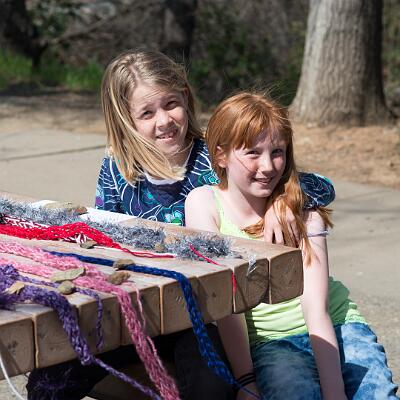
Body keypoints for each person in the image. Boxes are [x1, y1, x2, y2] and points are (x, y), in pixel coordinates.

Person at [27, 50, 334, 400]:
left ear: (186, 98)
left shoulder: (214, 157)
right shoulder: (117, 169)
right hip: (138, 308)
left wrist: (285, 200)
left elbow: (322, 185)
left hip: (198, 315)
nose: (164, 121)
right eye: (147, 113)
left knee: (212, 384)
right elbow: (102, 235)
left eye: (171, 104)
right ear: (125, 118)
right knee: (53, 371)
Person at [184, 91, 399, 400]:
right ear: (221, 155)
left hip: (338, 326)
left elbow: (316, 308)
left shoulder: (304, 214)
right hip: (270, 342)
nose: (268, 166)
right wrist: (246, 380)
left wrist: (335, 393)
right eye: (252, 152)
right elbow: (227, 305)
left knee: (377, 393)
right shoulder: (204, 204)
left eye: (277, 151)